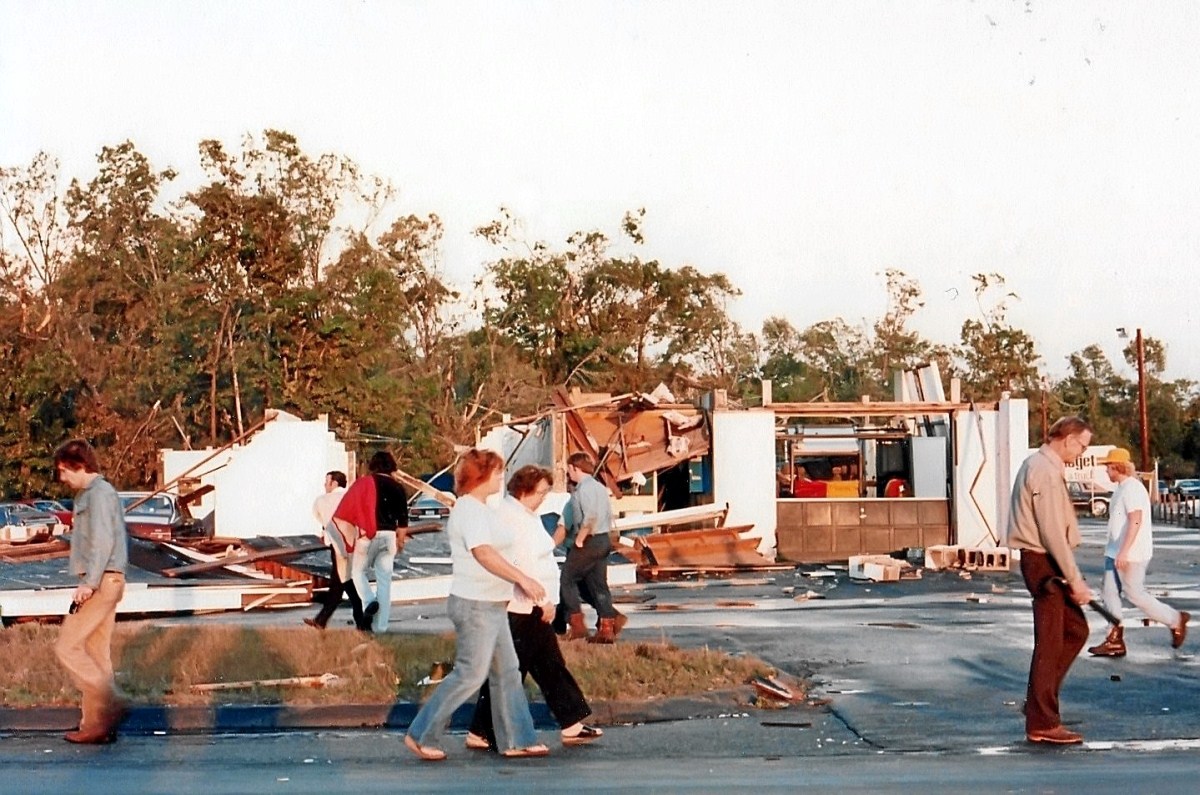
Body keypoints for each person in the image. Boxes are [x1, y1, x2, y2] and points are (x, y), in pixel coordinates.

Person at [404, 449, 550, 761]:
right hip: (475, 605)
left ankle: (516, 739)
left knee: (508, 671)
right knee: (471, 674)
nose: (501, 477)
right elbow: (483, 553)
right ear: (480, 477)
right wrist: (522, 579)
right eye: (497, 472)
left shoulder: (483, 509)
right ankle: (421, 734)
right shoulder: (469, 510)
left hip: (492, 604)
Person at [466, 466, 603, 750]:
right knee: (511, 671)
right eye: (540, 492)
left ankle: (571, 721)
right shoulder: (512, 519)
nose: (543, 498)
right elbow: (521, 565)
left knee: (550, 666)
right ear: (525, 490)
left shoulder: (523, 515)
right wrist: (543, 601)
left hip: (530, 604)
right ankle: (483, 730)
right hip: (522, 606)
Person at [1006, 416, 1096, 745]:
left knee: (1075, 630)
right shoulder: (1042, 469)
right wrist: (1074, 579)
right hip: (1042, 561)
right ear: (1067, 438)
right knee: (1050, 641)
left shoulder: (1046, 467)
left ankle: (1037, 704)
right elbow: (1052, 532)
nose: (1082, 451)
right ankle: (1042, 722)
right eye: (1082, 445)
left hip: (1048, 560)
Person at [53, 439, 129, 744]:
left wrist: (89, 583)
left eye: (63, 471)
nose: (61, 479)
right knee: (97, 654)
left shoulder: (98, 494)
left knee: (67, 647)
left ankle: (113, 702)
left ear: (79, 466)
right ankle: (96, 726)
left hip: (101, 580)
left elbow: (102, 542)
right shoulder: (97, 493)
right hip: (108, 579)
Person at [1087, 447, 1189, 657]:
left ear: (1117, 467)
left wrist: (1124, 552)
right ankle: (1114, 638)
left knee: (1135, 594)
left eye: (1108, 467)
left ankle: (1176, 619)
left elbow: (1136, 519)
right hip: (1115, 551)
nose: (1106, 471)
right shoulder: (1122, 488)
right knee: (1109, 592)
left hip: (1130, 553)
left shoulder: (1132, 488)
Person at [332, 451, 408, 633]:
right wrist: (401, 543)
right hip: (389, 536)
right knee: (384, 582)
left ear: (373, 465)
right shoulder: (398, 488)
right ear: (391, 467)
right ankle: (380, 628)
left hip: (367, 536)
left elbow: (346, 510)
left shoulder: (364, 484)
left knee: (358, 572)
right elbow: (403, 524)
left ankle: (369, 600)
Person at [560, 452, 621, 644]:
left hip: (589, 540)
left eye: (569, 469)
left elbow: (591, 515)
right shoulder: (600, 488)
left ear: (575, 468)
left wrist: (580, 538)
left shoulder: (583, 490)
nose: (568, 474)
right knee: (598, 585)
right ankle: (607, 628)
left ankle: (577, 626)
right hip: (603, 540)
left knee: (567, 579)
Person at [305, 471, 367, 631]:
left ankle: (359, 621)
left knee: (342, 583)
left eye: (327, 482)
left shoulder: (321, 501)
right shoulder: (352, 497)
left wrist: (326, 531)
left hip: (337, 547)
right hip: (354, 544)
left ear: (334, 483)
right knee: (343, 583)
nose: (325, 485)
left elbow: (320, 518)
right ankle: (324, 620)